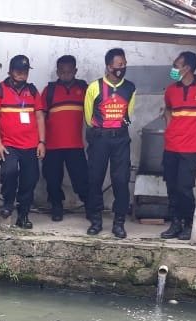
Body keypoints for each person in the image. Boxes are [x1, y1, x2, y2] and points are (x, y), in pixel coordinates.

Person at [84, 47, 136, 238]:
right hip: (100, 139)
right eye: (118, 64)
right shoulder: (94, 87)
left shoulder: (130, 88)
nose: (122, 67)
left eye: (124, 64)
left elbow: (128, 113)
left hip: (121, 139)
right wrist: (101, 130)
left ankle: (119, 222)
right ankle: (96, 220)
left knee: (121, 181)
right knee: (95, 179)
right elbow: (88, 117)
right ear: (108, 66)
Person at [0, 54, 45, 229]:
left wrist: (42, 142)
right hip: (9, 144)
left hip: (31, 145)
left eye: (25, 72)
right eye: (19, 71)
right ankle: (8, 202)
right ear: (10, 71)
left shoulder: (33, 91)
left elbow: (39, 117)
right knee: (9, 172)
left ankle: (23, 215)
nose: (22, 75)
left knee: (30, 180)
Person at [160, 51, 196, 241]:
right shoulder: (171, 89)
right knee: (171, 186)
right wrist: (170, 127)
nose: (173, 69)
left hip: (191, 148)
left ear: (187, 68)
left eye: (176, 65)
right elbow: (168, 109)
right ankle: (175, 223)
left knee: (184, 187)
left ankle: (189, 223)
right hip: (171, 145)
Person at [40, 55, 89, 222]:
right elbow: (40, 117)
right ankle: (56, 206)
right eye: (62, 72)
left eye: (69, 72)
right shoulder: (49, 91)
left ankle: (90, 207)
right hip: (52, 145)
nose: (65, 75)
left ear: (75, 71)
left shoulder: (84, 89)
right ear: (57, 72)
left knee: (81, 178)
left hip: (75, 145)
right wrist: (41, 142)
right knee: (52, 180)